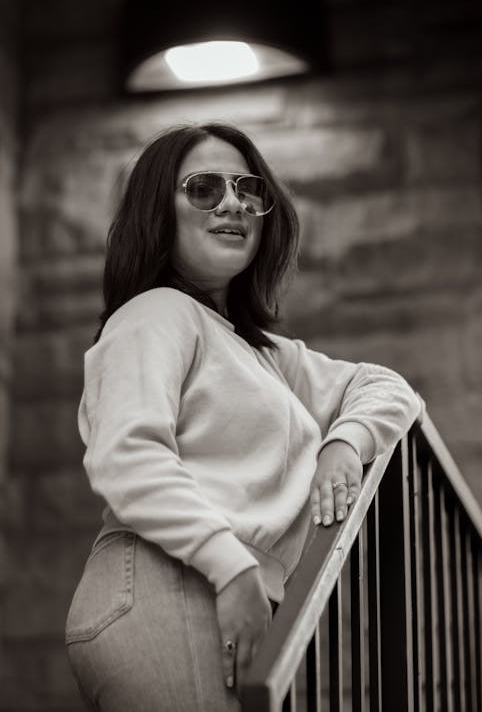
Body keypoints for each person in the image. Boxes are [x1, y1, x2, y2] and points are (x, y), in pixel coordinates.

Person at [65, 122, 422, 712]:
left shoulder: (263, 355)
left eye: (248, 189)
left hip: (219, 591)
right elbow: (128, 457)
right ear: (159, 211)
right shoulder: (154, 315)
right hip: (171, 581)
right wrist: (230, 567)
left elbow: (387, 388)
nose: (233, 202)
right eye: (203, 188)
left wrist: (345, 441)